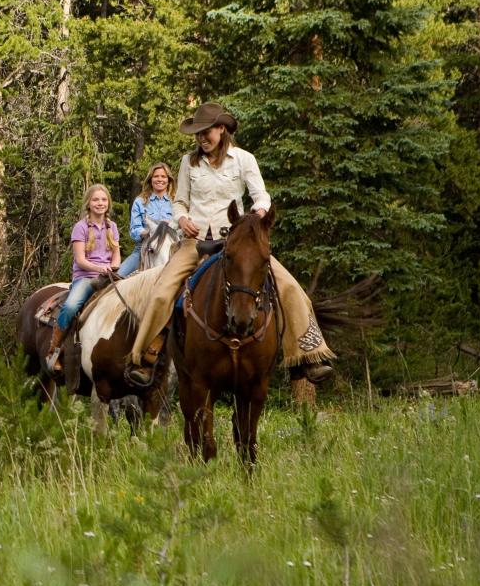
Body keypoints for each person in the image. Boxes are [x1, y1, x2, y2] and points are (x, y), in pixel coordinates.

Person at [126, 102, 335, 384]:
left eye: (206, 132)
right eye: (198, 134)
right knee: (163, 291)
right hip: (195, 241)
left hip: (235, 241)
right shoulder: (189, 162)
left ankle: (309, 354)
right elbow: (180, 201)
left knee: (288, 285)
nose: (201, 138)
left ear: (221, 129)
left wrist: (257, 216)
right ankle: (146, 358)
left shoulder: (244, 159)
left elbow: (261, 196)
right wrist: (183, 218)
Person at [45, 184, 121, 372]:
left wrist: (114, 266)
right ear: (88, 203)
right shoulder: (80, 228)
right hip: (86, 277)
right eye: (96, 200)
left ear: (108, 203)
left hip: (109, 276)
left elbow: (117, 254)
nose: (100, 203)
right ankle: (54, 349)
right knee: (71, 307)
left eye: (103, 200)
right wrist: (100, 268)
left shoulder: (112, 227)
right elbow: (80, 260)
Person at [116, 162, 174, 277]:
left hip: (172, 249)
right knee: (118, 276)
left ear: (169, 180)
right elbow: (134, 230)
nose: (159, 179)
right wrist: (146, 232)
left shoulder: (176, 201)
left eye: (163, 176)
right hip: (144, 248)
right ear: (150, 179)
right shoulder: (140, 201)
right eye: (156, 176)